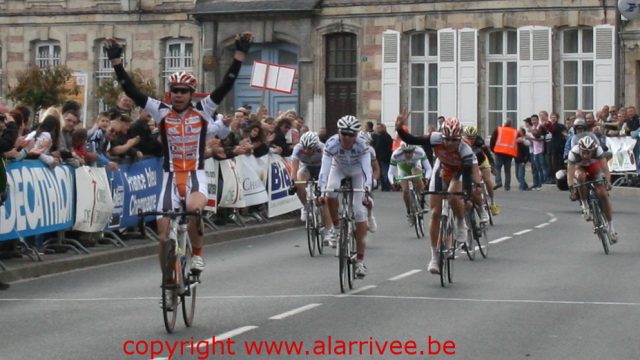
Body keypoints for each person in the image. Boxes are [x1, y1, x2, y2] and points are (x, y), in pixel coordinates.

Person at [104, 32, 252, 290]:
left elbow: (226, 85)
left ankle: (196, 255)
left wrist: (239, 54)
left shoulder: (203, 111)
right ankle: (167, 279)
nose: (179, 95)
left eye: (184, 91)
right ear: (169, 93)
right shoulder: (160, 111)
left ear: (191, 93)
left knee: (193, 211)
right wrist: (116, 61)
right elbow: (131, 90)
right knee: (162, 237)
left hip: (195, 175)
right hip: (169, 178)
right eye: (175, 91)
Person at [396, 114, 483, 274]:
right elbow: (412, 139)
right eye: (447, 140)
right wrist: (398, 127)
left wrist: (466, 194)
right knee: (435, 213)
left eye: (454, 140)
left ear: (459, 139)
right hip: (442, 168)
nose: (450, 143)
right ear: (442, 136)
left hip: (458, 171)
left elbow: (467, 179)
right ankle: (435, 257)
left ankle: (459, 222)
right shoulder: (434, 138)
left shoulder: (465, 150)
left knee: (452, 194)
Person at [318, 115, 373, 278]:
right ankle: (336, 228)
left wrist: (367, 188)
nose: (348, 138)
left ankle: (360, 261)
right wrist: (321, 190)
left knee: (359, 213)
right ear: (339, 133)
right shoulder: (331, 143)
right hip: (339, 168)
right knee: (331, 190)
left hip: (357, 173)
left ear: (357, 135)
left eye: (352, 135)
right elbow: (325, 169)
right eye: (344, 134)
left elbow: (366, 170)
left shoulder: (362, 145)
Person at [567, 136, 617, 242]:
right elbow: (570, 172)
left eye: (589, 152)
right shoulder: (573, 153)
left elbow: (605, 169)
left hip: (594, 168)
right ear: (579, 149)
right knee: (580, 177)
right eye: (584, 152)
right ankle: (585, 206)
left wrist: (608, 182)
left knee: (603, 194)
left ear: (593, 150)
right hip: (579, 168)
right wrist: (571, 186)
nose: (586, 155)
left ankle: (611, 228)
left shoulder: (598, 151)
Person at [290, 131, 334, 242]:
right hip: (307, 168)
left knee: (324, 200)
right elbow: (294, 168)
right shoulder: (298, 148)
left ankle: (328, 230)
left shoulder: (323, 148)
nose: (306, 151)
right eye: (305, 148)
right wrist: (293, 182)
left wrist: (323, 185)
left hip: (321, 170)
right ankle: (306, 206)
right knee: (299, 181)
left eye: (310, 148)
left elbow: (328, 167)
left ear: (316, 146)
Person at [387, 142, 432, 225]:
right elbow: (390, 172)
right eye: (405, 152)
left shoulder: (420, 152)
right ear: (402, 151)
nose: (408, 155)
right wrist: (392, 183)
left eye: (410, 152)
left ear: (414, 150)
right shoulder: (396, 155)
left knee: (417, 176)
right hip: (403, 170)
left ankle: (422, 200)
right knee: (405, 191)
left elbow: (429, 168)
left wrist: (426, 178)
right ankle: (409, 212)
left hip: (416, 167)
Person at [463, 125, 499, 215]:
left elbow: (488, 154)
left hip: (481, 161)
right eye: (469, 138)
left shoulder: (480, 142)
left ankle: (492, 202)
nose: (471, 140)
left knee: (487, 179)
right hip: (470, 162)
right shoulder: (461, 142)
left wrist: (492, 166)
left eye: (473, 138)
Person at [372, 123, 393, 191]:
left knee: (385, 172)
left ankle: (386, 186)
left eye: (379, 128)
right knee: (381, 172)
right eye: (377, 128)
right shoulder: (379, 136)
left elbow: (386, 148)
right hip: (380, 157)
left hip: (385, 157)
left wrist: (381, 156)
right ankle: (384, 186)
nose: (377, 129)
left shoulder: (386, 136)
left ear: (383, 128)